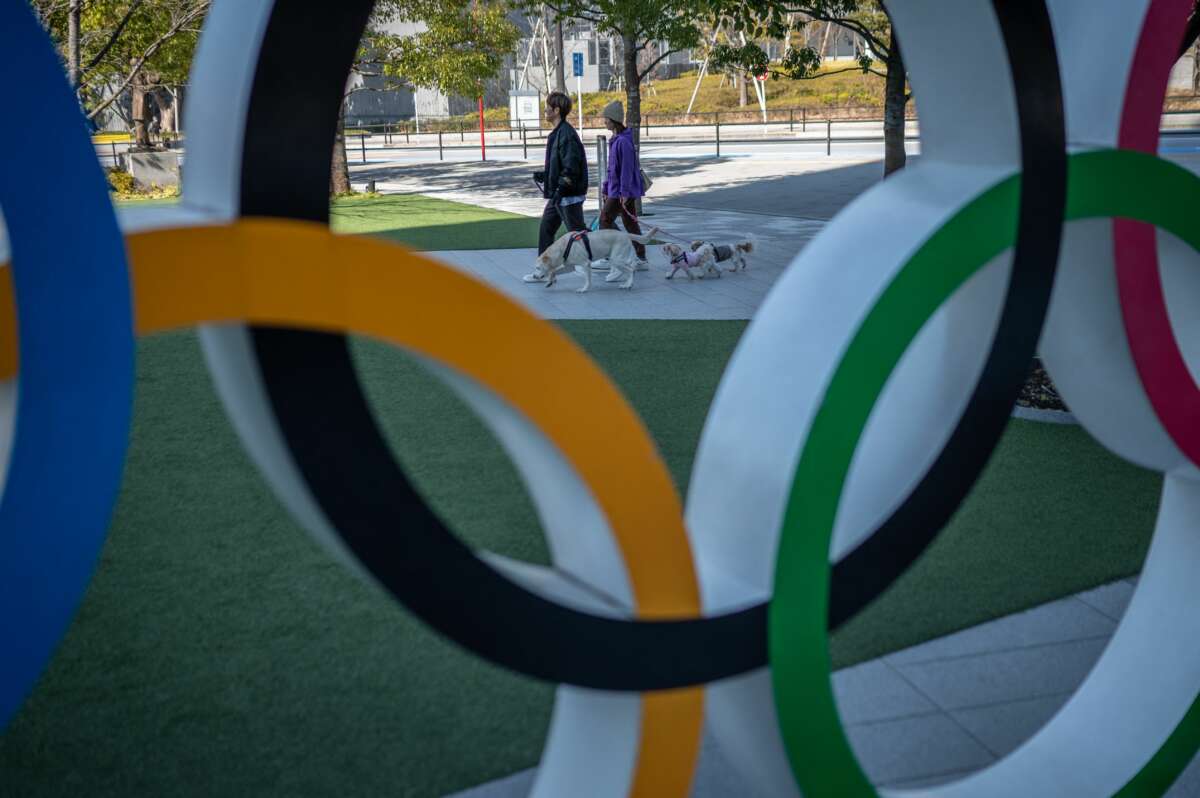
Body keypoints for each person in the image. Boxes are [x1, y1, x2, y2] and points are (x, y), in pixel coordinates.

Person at [533, 91, 588, 255]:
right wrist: (545, 175)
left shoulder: (567, 134)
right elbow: (560, 164)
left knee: (577, 232)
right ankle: (542, 266)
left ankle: (602, 254)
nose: (545, 111)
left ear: (556, 110)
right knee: (546, 229)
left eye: (547, 108)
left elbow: (571, 167)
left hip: (567, 195)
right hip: (559, 194)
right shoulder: (558, 133)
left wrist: (560, 189)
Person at [598, 100, 647, 266]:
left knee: (605, 219)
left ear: (614, 120)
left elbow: (626, 170)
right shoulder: (617, 139)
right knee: (630, 223)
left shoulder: (623, 142)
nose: (604, 121)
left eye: (606, 118)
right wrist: (606, 188)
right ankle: (640, 257)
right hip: (618, 190)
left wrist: (624, 193)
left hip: (621, 192)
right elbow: (611, 170)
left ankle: (612, 255)